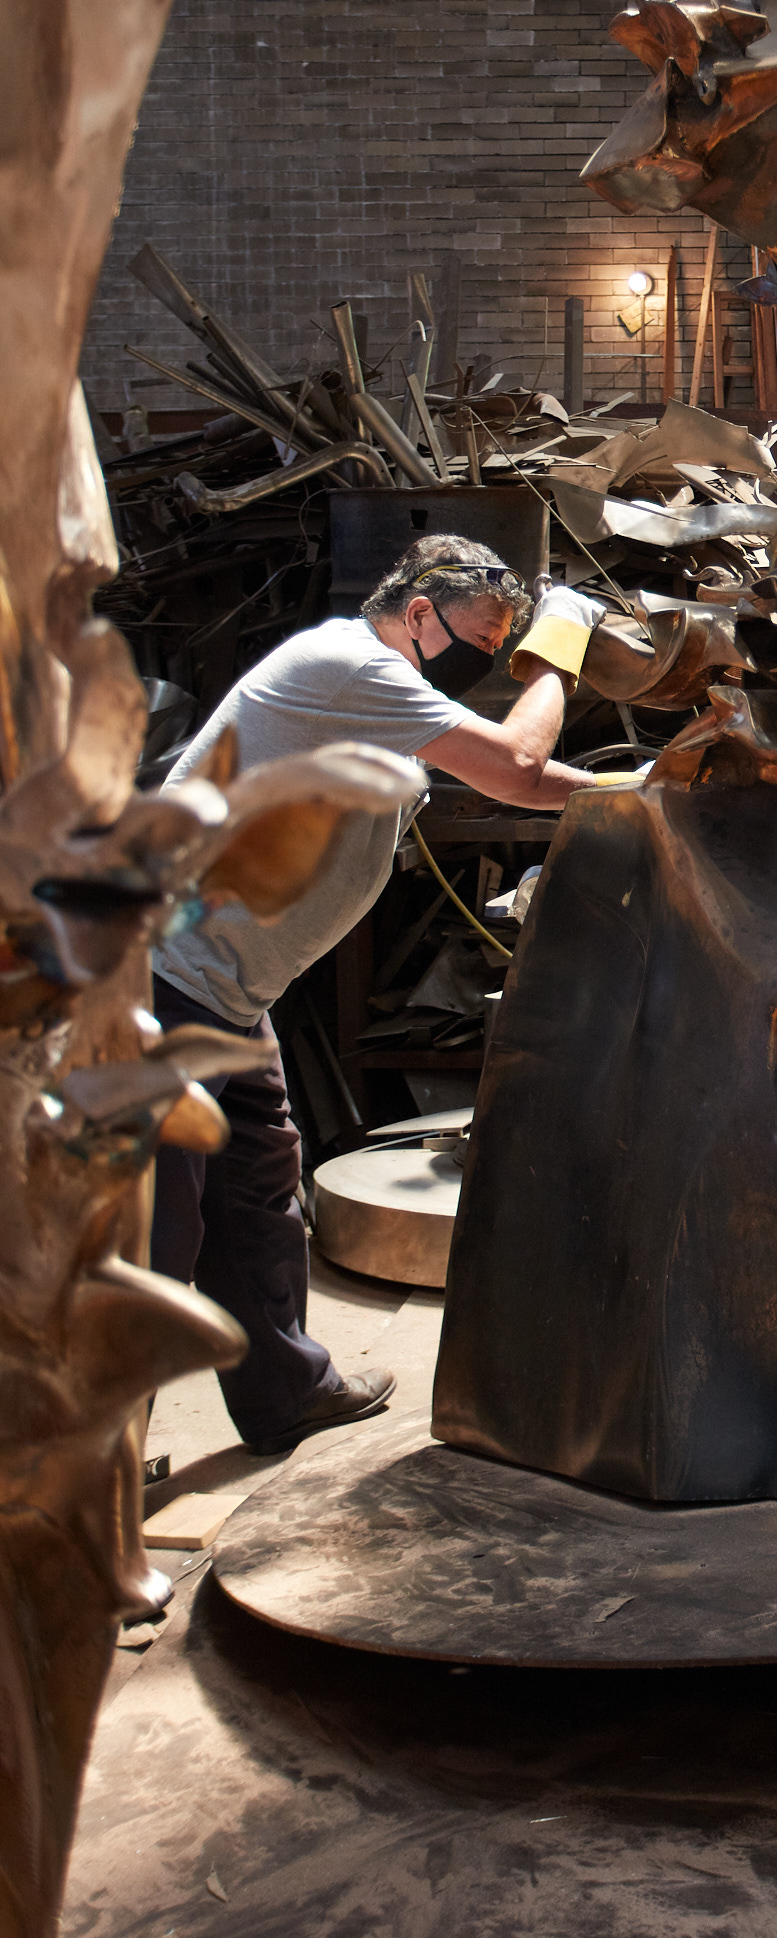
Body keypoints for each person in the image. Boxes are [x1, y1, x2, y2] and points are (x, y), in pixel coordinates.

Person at [150, 537, 598, 1455]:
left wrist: (639, 791)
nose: (488, 661)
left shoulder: (385, 694)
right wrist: (560, 650)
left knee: (255, 1196)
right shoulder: (346, 662)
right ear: (420, 614)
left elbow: (536, 780)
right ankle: (80, 1501)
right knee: (149, 1236)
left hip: (229, 994)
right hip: (151, 984)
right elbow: (517, 770)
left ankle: (287, 1392)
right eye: (481, 640)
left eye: (507, 645)